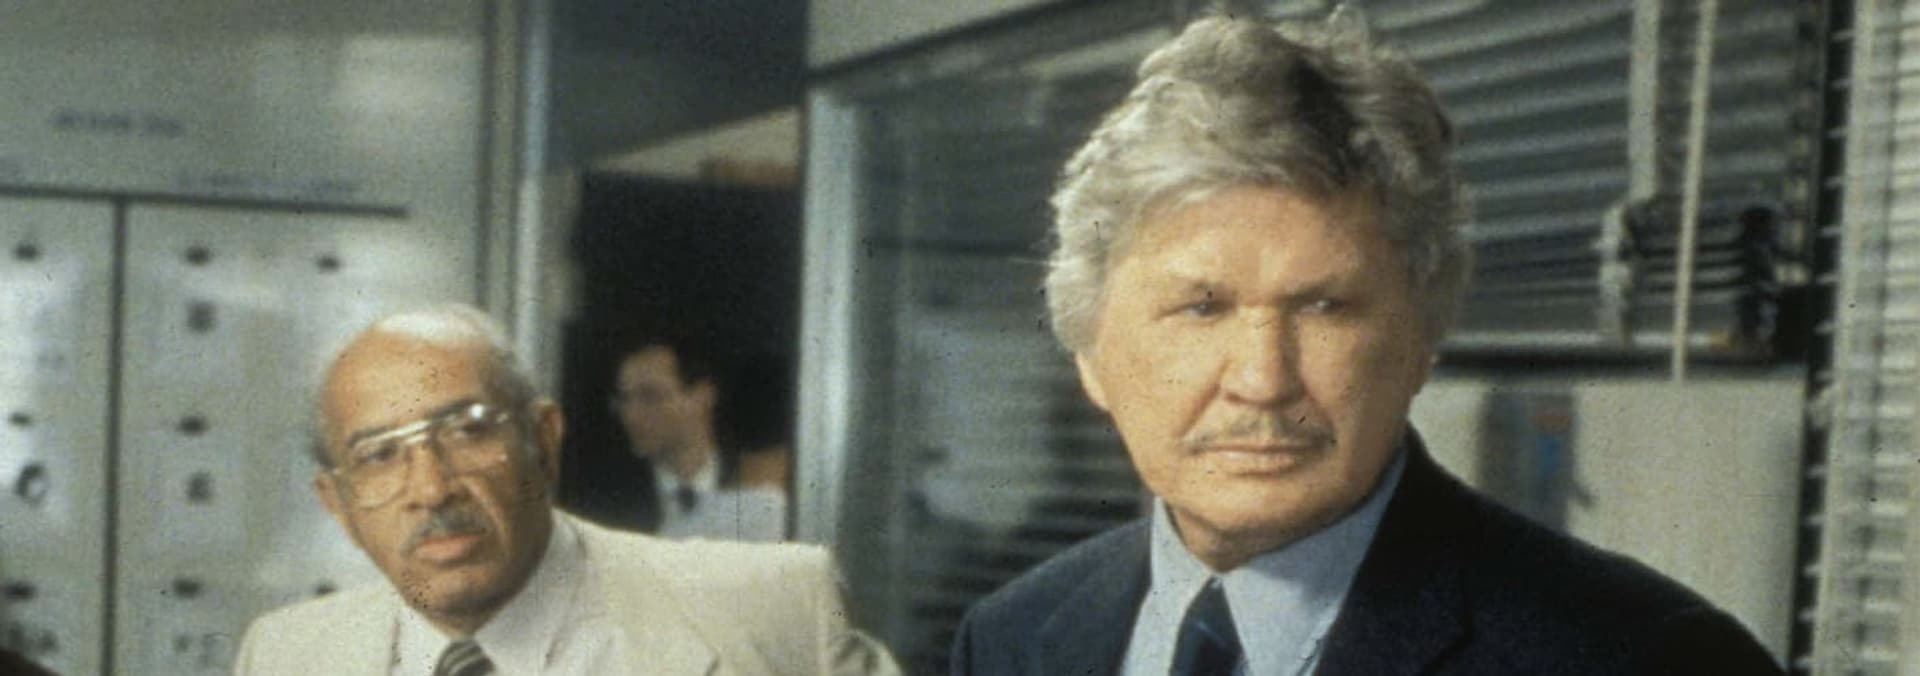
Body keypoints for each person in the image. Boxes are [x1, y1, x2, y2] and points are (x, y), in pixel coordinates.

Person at [950, 13, 1783, 675]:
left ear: (1422, 338)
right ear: (1090, 352)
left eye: (1326, 307)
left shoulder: (1648, 659)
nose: (1263, 379)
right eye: (1202, 308)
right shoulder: (1014, 639)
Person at [233, 305, 898, 675]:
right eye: (380, 456)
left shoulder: (776, 611)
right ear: (338, 505)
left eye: (467, 431)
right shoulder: (286, 656)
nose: (431, 488)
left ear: (544, 439)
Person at [607, 336, 787, 542]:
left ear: (703, 396)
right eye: (623, 399)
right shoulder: (608, 502)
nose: (630, 415)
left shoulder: (758, 484)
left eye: (650, 396)